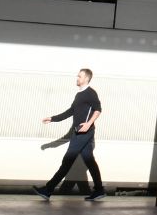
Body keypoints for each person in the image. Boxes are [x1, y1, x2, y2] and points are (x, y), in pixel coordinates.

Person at [34, 67, 105, 202]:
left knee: (67, 161)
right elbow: (70, 111)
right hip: (80, 132)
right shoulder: (79, 95)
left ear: (86, 78)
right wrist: (53, 118)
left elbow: (98, 109)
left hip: (83, 132)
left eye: (79, 76)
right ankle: (99, 190)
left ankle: (48, 189)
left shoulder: (90, 93)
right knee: (89, 160)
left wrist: (88, 124)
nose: (77, 78)